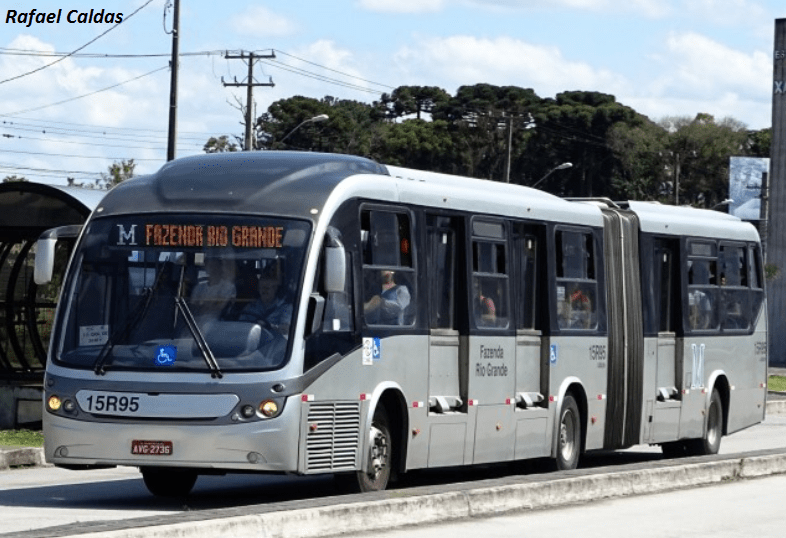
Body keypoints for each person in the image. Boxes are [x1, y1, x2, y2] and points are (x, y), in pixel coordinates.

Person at [238, 267, 293, 334]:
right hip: (252, 341)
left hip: (276, 343)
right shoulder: (251, 306)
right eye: (262, 287)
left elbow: (286, 330)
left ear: (275, 289)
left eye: (267, 288)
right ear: (258, 289)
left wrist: (269, 326)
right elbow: (240, 325)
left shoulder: (285, 308)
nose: (264, 290)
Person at [190, 255, 236, 319]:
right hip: (195, 324)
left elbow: (220, 308)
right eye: (209, 266)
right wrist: (211, 305)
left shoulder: (229, 287)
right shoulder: (198, 288)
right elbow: (192, 308)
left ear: (220, 268)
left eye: (215, 266)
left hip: (219, 323)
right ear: (205, 268)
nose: (212, 269)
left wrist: (201, 306)